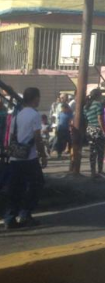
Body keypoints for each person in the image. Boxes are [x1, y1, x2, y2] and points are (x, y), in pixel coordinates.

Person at [4, 87, 47, 230]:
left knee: (15, 188)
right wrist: (43, 154)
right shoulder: (34, 115)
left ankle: (10, 218)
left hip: (16, 157)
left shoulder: (17, 115)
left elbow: (11, 136)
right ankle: (25, 214)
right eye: (38, 97)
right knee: (37, 184)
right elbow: (37, 137)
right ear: (35, 98)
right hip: (29, 158)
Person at [83, 89, 105, 178]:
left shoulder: (86, 106)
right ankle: (100, 170)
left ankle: (93, 171)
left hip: (89, 129)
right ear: (98, 95)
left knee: (92, 151)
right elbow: (100, 118)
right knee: (100, 151)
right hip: (97, 129)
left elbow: (85, 119)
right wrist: (103, 130)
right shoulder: (98, 104)